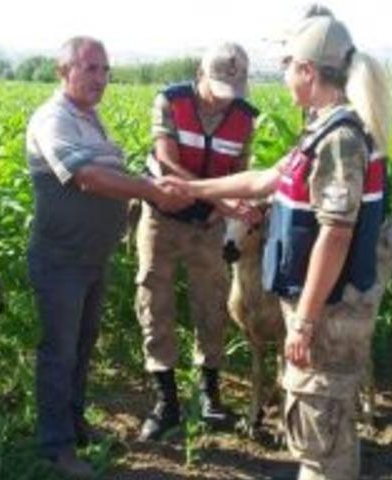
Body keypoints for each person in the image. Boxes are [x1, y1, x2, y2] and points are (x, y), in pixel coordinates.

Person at [168, 7, 392, 479]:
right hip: (322, 312)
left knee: (322, 437)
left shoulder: (339, 140)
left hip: (329, 318)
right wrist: (194, 189)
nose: (284, 75)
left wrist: (304, 322)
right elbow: (265, 179)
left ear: (308, 71)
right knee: (323, 433)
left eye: (287, 65)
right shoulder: (323, 130)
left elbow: (335, 235)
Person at [26, 36, 191, 478]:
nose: (100, 79)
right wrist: (152, 191)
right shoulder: (53, 118)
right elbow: (87, 177)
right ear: (64, 70)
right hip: (60, 260)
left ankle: (74, 423)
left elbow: (113, 171)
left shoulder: (90, 119)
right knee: (59, 352)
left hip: (90, 258)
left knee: (81, 347)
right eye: (90, 68)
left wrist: (153, 183)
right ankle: (55, 447)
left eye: (105, 70)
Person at [135, 42, 261, 441]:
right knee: (155, 300)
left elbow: (240, 170)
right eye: (217, 89)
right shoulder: (170, 101)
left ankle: (209, 393)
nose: (224, 102)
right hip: (162, 217)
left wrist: (229, 204)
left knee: (213, 302)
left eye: (232, 92)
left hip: (209, 224)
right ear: (200, 74)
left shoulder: (244, 117)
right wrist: (219, 199)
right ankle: (165, 400)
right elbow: (168, 162)